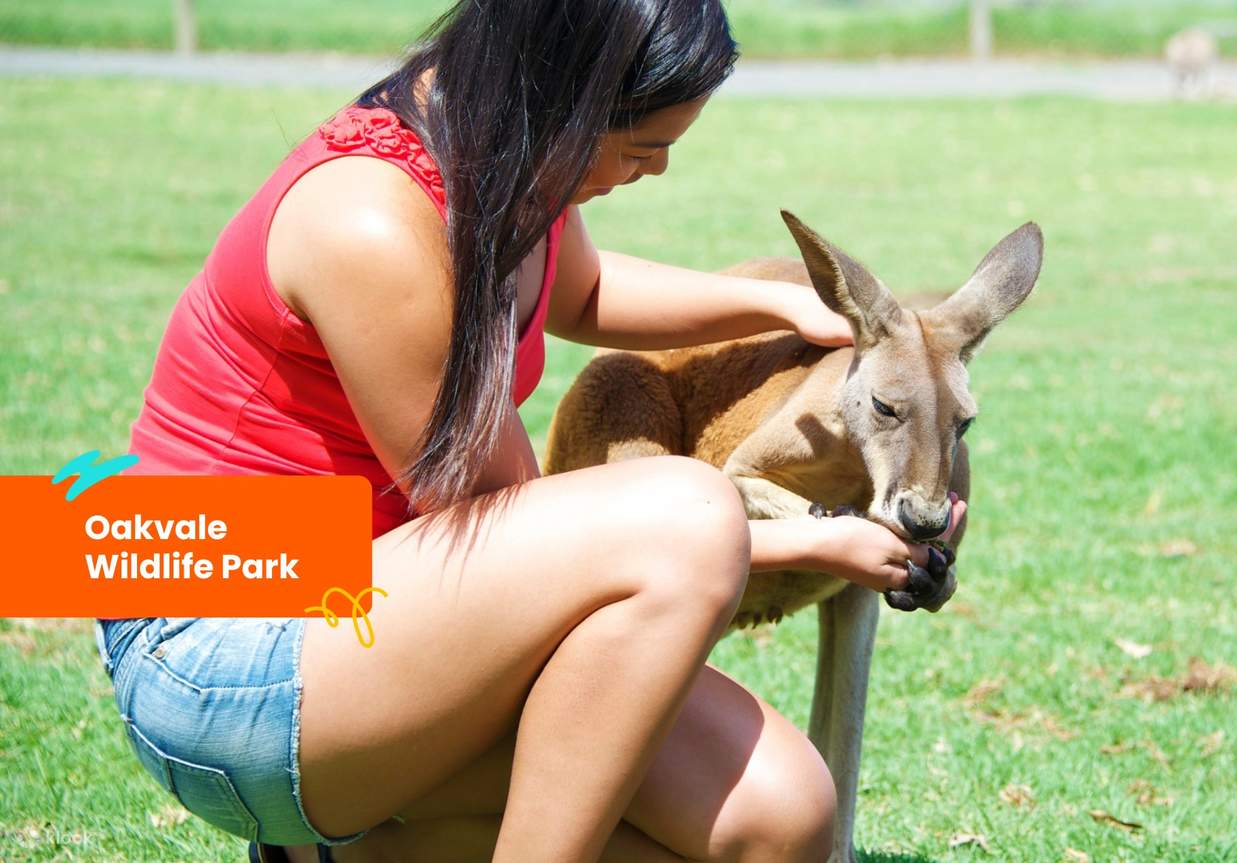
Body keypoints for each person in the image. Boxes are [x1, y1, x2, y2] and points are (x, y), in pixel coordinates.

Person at [93, 1, 965, 861]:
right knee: (686, 514)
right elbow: (542, 520)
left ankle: (344, 851)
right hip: (218, 635)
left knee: (781, 819)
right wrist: (823, 543)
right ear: (571, 99)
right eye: (643, 147)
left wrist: (768, 302)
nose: (655, 171)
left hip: (385, 607)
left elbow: (580, 292)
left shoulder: (499, 152)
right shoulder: (373, 225)